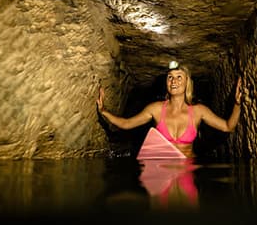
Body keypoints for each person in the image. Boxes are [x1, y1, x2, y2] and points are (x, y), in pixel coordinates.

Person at [96, 61, 242, 157]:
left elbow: (228, 126)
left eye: (179, 77)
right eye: (170, 77)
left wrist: (237, 103)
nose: (174, 81)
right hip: (161, 167)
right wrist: (104, 111)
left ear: (187, 83)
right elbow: (126, 124)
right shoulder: (156, 109)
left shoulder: (198, 111)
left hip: (188, 166)